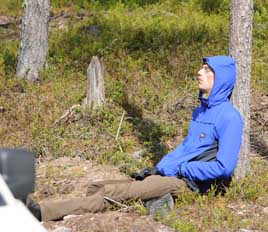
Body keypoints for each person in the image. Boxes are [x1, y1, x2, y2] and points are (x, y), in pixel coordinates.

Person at [27, 55, 243, 221]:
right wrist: (160, 167)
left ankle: (40, 212)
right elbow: (187, 148)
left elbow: (224, 167)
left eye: (207, 70)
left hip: (191, 184)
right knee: (98, 187)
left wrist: (182, 169)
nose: (199, 72)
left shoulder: (229, 117)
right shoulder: (200, 111)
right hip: (170, 175)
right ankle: (146, 201)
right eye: (201, 68)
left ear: (221, 77)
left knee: (115, 192)